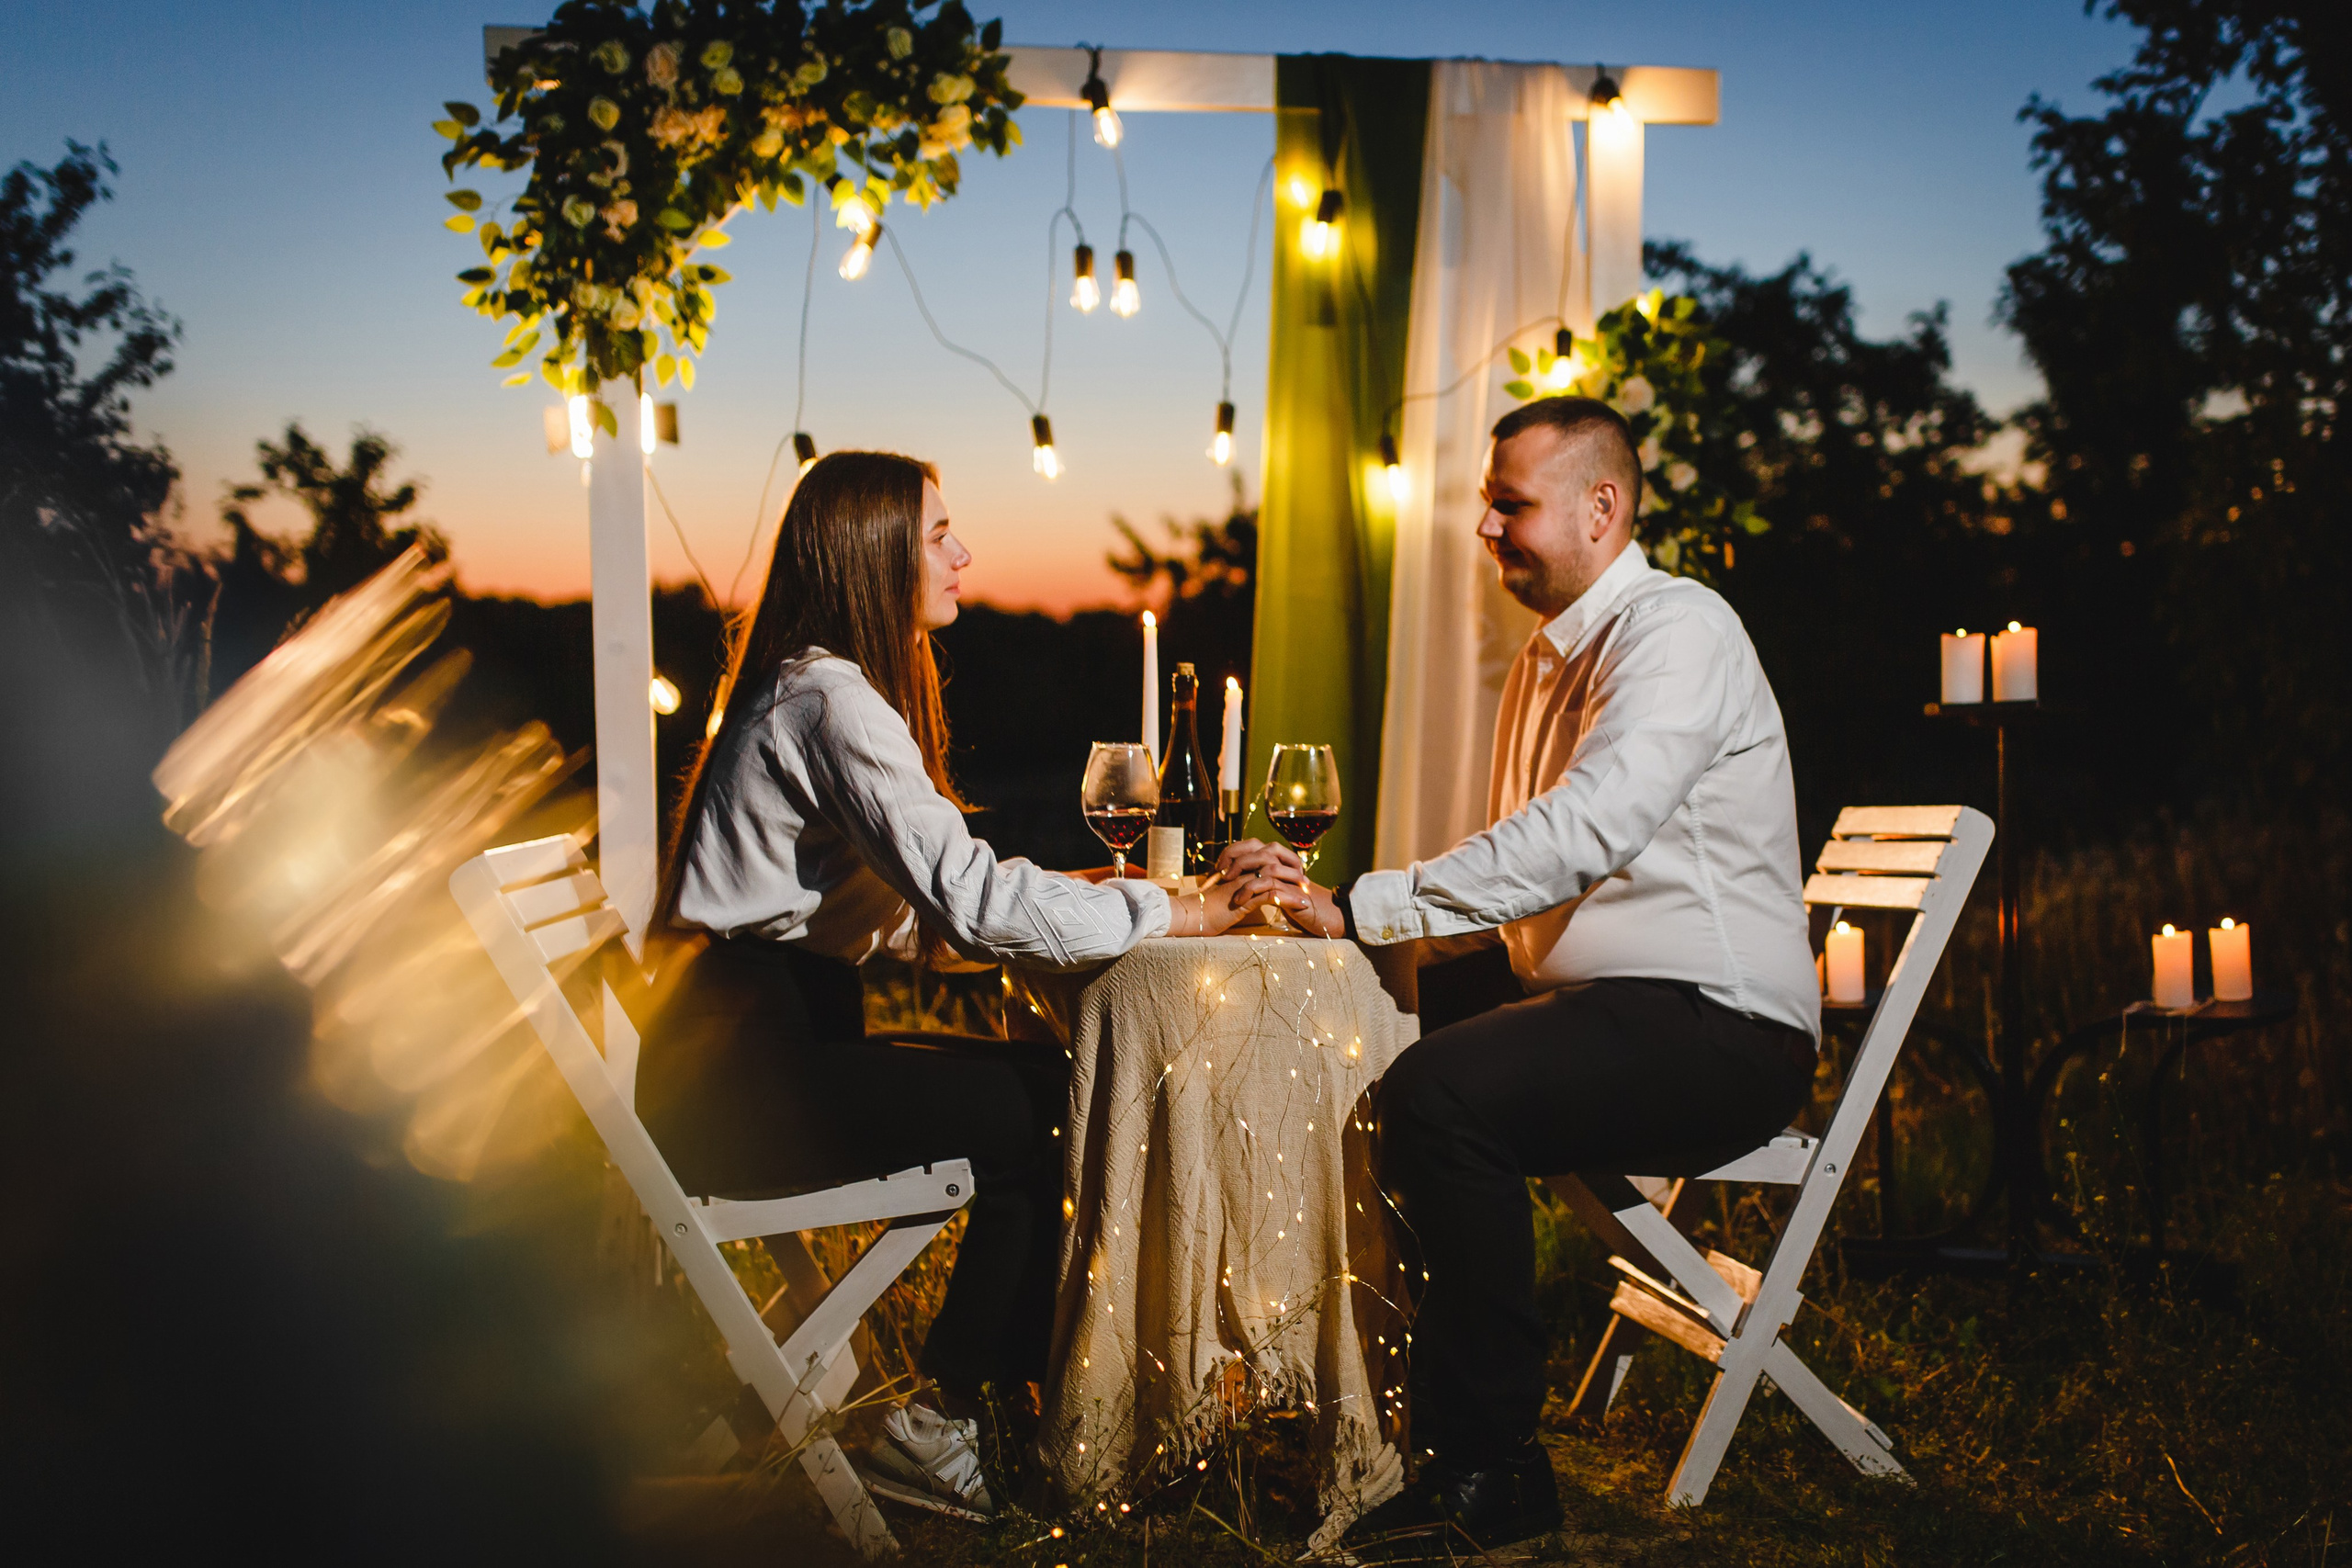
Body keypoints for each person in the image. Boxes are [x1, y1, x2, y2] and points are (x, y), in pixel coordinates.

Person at [1227, 398, 1821, 1551]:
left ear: (1602, 509)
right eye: (1487, 506)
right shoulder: (1552, 661)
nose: (1487, 530)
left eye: (1511, 505)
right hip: (1602, 1004)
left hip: (1719, 1026)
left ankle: (1491, 1470)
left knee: (1440, 1097)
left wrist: (1366, 904)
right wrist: (1344, 934)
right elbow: (1532, 883)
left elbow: (1584, 830)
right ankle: (1325, 1395)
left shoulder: (1675, 631)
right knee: (1342, 1020)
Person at [642, 451, 1274, 1517]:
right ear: (871, 555)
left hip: (753, 1041)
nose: (963, 554)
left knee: (1050, 1086)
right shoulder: (830, 701)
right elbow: (972, 904)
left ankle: (971, 1416)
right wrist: (1178, 908)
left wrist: (1092, 887)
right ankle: (948, 1424)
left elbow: (922, 911)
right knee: (1060, 1109)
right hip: (744, 1080)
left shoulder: (812, 686)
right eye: (939, 534)